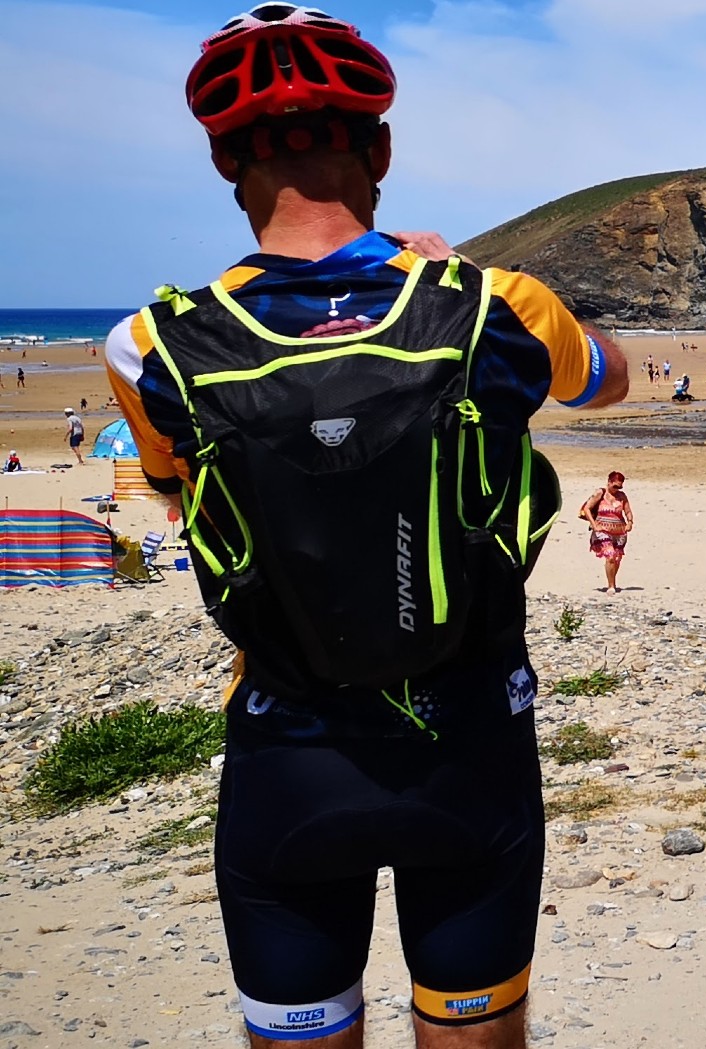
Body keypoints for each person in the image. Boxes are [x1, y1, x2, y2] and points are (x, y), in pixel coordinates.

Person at [103, 8, 627, 1044]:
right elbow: (611, 378)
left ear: (221, 160)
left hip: (286, 759)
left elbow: (177, 493)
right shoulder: (496, 303)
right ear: (380, 148)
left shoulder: (147, 346)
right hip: (469, 744)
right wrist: (458, 274)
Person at [579, 472, 633, 593]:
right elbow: (587, 508)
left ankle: (613, 581)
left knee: (617, 558)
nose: (617, 489)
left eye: (620, 487)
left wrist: (630, 522)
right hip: (602, 530)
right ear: (609, 482)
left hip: (620, 532)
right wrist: (594, 524)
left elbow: (628, 511)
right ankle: (611, 586)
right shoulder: (600, 493)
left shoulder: (622, 496)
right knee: (610, 556)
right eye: (615, 486)